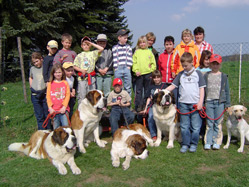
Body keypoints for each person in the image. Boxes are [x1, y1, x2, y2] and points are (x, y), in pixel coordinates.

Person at [167, 52, 206, 153]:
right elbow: (173, 86)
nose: (184, 67)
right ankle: (185, 144)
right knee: (184, 126)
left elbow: (202, 89)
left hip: (195, 104)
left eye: (186, 65)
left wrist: (200, 102)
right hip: (183, 104)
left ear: (192, 63)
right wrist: (163, 91)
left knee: (195, 126)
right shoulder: (180, 74)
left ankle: (193, 144)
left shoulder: (198, 74)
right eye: (183, 65)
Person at [203, 54, 231, 150]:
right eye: (213, 64)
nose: (215, 66)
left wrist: (228, 104)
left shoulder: (223, 76)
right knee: (210, 123)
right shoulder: (206, 75)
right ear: (210, 64)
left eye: (217, 64)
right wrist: (203, 102)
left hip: (220, 103)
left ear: (220, 65)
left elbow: (227, 91)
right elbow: (203, 90)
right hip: (209, 102)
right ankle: (208, 141)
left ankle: (216, 141)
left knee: (218, 123)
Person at [73, 36, 104, 103]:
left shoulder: (93, 53)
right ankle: (81, 111)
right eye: (84, 45)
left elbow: (101, 48)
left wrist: (92, 43)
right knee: (82, 95)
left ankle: (91, 110)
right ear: (81, 46)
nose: (86, 46)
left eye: (87, 45)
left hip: (91, 78)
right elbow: (75, 66)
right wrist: (81, 70)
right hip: (82, 78)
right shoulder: (79, 55)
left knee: (91, 94)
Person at [132, 35, 156, 112]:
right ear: (138, 44)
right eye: (140, 43)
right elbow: (134, 63)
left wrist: (151, 70)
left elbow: (153, 63)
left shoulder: (149, 52)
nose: (142, 44)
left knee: (147, 91)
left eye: (144, 42)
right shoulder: (136, 52)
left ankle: (146, 105)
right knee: (138, 91)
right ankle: (138, 105)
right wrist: (136, 71)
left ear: (146, 43)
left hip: (148, 74)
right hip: (139, 74)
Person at [142, 70, 168, 140]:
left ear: (161, 77)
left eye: (158, 77)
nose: (156, 79)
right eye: (155, 78)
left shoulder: (165, 86)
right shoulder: (151, 87)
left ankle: (164, 133)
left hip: (163, 106)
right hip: (153, 105)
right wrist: (145, 108)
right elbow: (149, 98)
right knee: (150, 116)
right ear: (153, 78)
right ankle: (153, 134)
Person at [29, 52, 51, 130]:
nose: (35, 63)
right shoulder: (32, 69)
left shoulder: (45, 68)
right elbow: (31, 77)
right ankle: (41, 131)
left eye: (37, 61)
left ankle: (48, 130)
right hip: (35, 94)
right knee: (39, 115)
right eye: (34, 62)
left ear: (41, 59)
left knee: (46, 113)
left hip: (44, 93)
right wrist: (31, 86)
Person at [46, 63, 70, 129]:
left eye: (59, 72)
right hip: (54, 111)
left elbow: (67, 95)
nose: (58, 74)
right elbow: (48, 96)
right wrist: (50, 108)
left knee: (66, 127)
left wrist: (64, 107)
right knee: (56, 128)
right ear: (53, 73)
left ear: (62, 72)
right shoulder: (50, 83)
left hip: (63, 110)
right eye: (56, 72)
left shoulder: (65, 83)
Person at [112, 29, 133, 96]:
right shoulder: (115, 48)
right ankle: (118, 100)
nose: (126, 39)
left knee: (128, 86)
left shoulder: (128, 47)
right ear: (119, 38)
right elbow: (115, 58)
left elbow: (129, 57)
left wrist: (128, 66)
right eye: (124, 38)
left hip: (126, 67)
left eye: (126, 38)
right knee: (118, 85)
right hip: (118, 68)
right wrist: (116, 67)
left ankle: (128, 102)